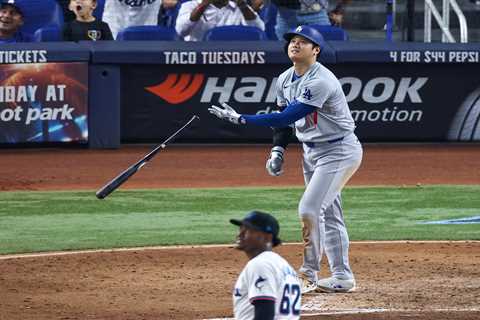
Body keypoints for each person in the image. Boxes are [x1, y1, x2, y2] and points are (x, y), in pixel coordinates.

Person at [209, 25, 362, 294]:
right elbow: (283, 125)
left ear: (316, 50)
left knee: (309, 209)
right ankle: (342, 276)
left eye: (304, 42)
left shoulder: (320, 80)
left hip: (339, 151)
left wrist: (242, 119)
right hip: (312, 152)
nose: (295, 44)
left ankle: (308, 274)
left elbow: (285, 117)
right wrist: (277, 150)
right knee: (329, 213)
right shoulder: (284, 79)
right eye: (293, 40)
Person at [231, 210, 301, 319]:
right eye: (241, 228)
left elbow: (265, 313)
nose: (240, 234)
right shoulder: (285, 267)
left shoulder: (260, 264)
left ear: (268, 237)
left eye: (248, 230)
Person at [175, 0, 265, 41]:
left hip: (231, 56)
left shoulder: (240, 7)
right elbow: (181, 31)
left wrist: (243, 6)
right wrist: (203, 5)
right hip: (199, 56)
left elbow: (260, 29)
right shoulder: (190, 5)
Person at [271, 0, 350, 40]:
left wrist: (339, 10)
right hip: (286, 15)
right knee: (284, 55)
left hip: (317, 15)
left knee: (323, 53)